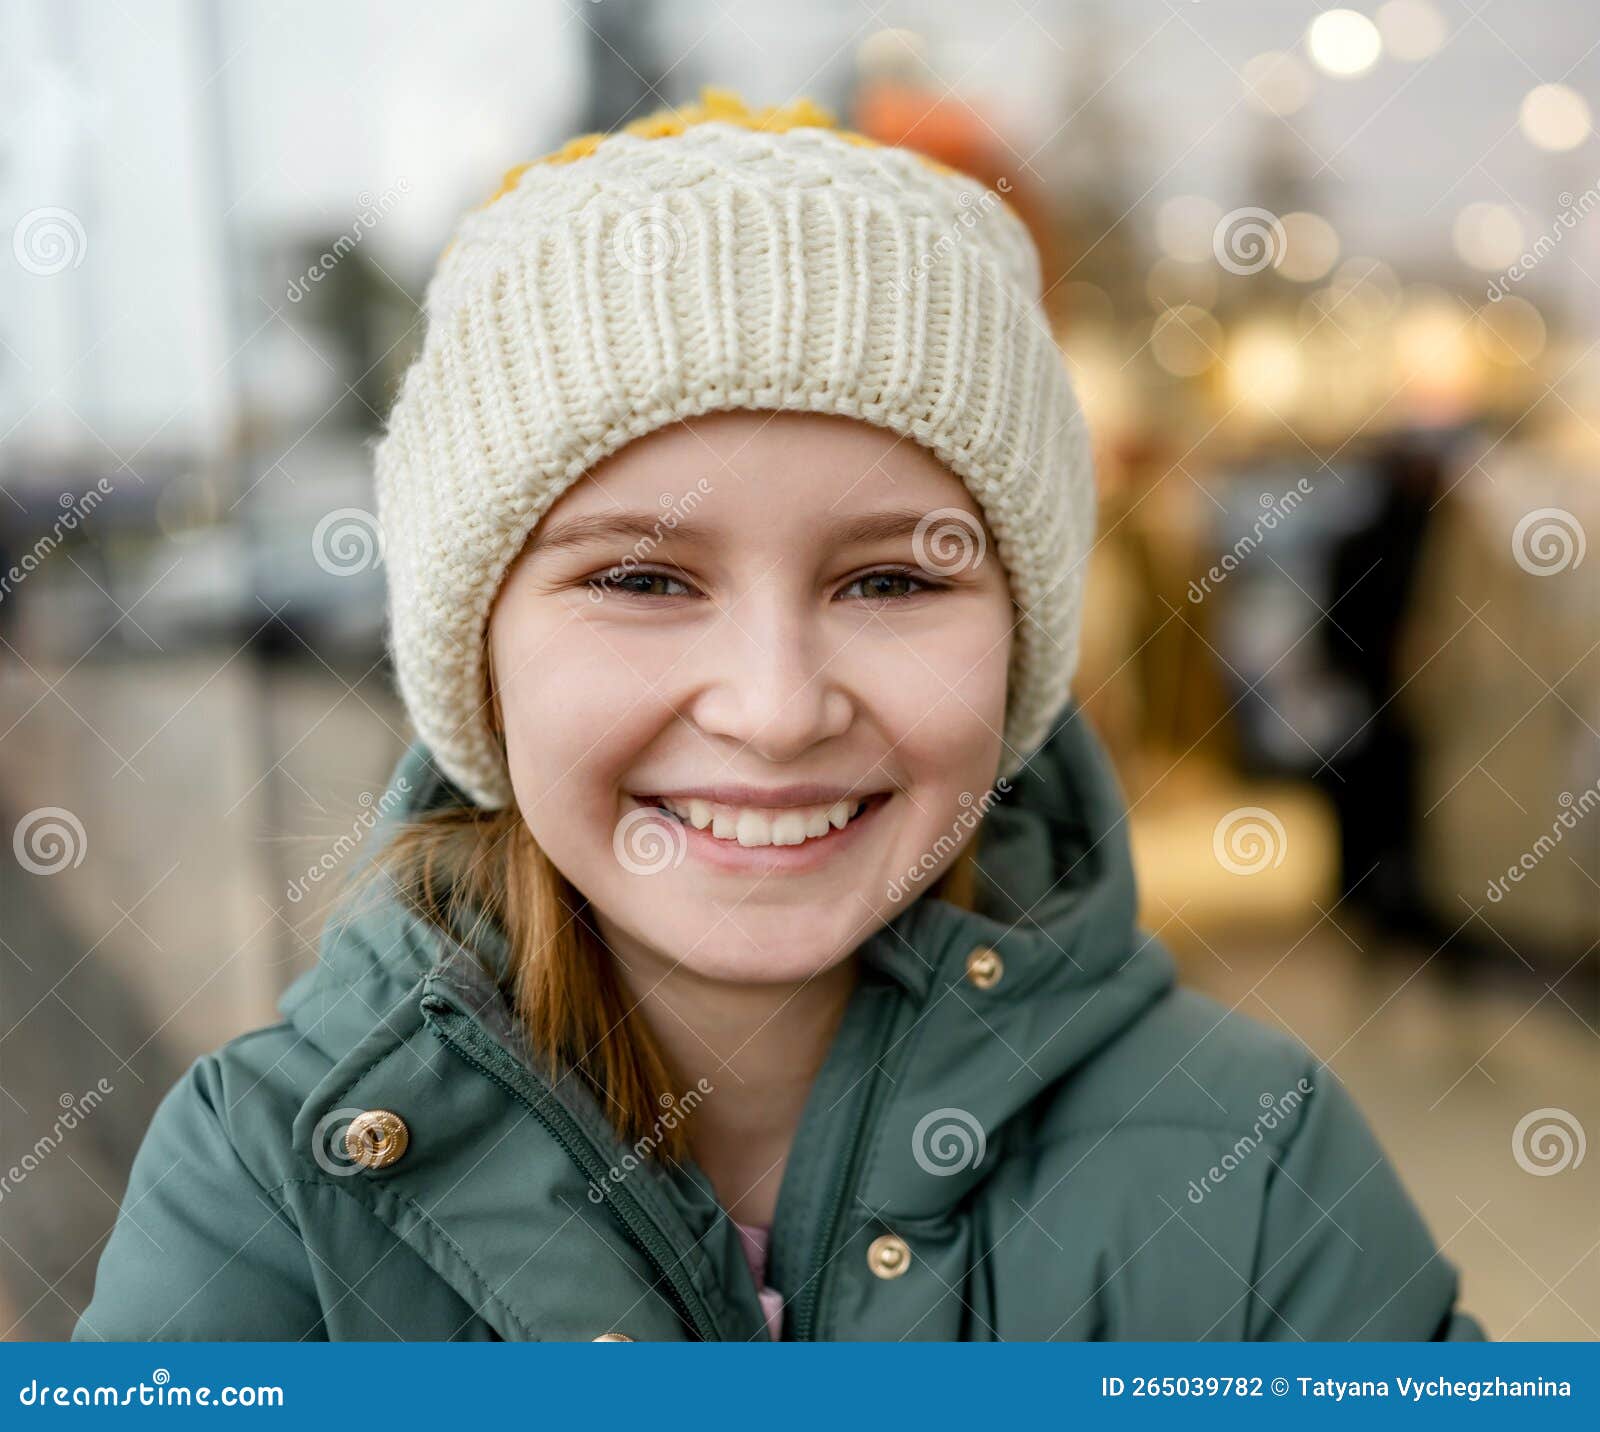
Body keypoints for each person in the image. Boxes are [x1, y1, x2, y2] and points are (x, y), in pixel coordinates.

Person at [75, 89, 1482, 1342]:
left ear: (1021, 646)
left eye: (885, 580)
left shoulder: (1248, 1161)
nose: (774, 708)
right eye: (640, 577)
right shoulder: (278, 1175)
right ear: (477, 651)